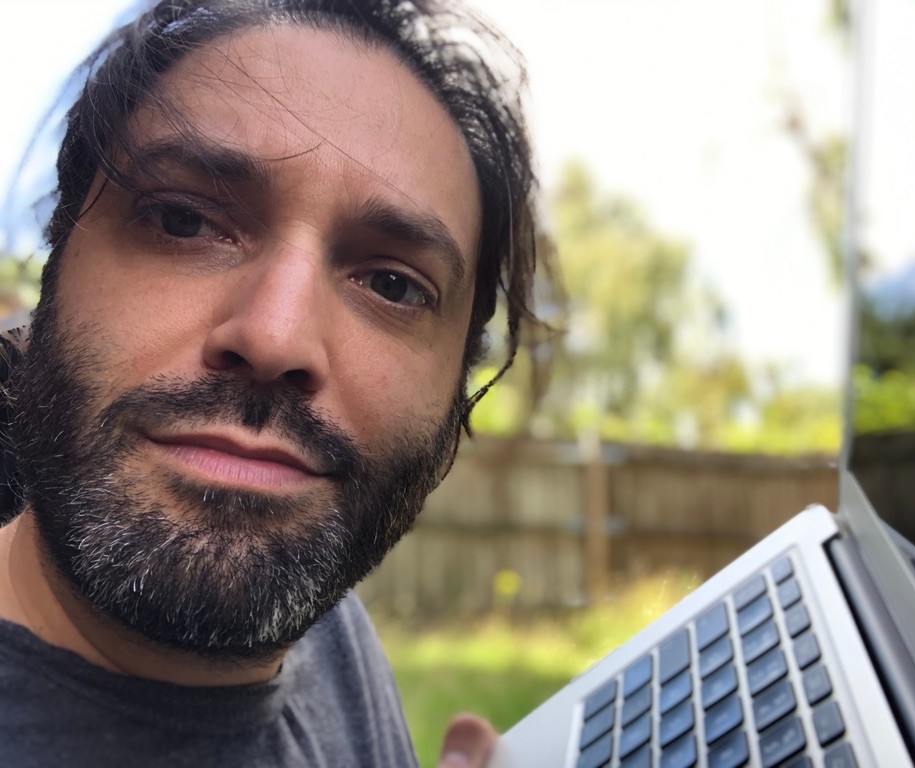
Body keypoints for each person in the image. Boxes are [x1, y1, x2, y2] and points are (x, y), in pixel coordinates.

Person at [0, 0, 548, 765]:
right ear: (58, 265)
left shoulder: (325, 625)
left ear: (456, 393)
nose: (274, 337)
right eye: (184, 222)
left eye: (390, 284)